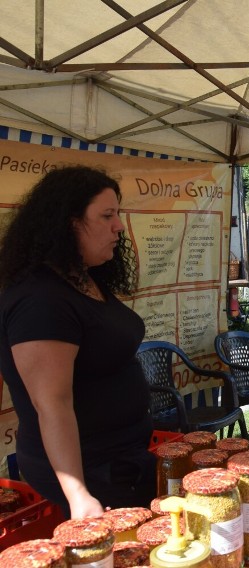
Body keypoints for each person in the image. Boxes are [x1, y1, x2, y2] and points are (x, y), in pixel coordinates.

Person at [0, 166, 155, 520]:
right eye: (106, 215)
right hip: (90, 468)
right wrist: (78, 493)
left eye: (118, 214)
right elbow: (52, 403)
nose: (118, 226)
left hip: (122, 457)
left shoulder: (83, 279)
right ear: (69, 224)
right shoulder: (40, 299)